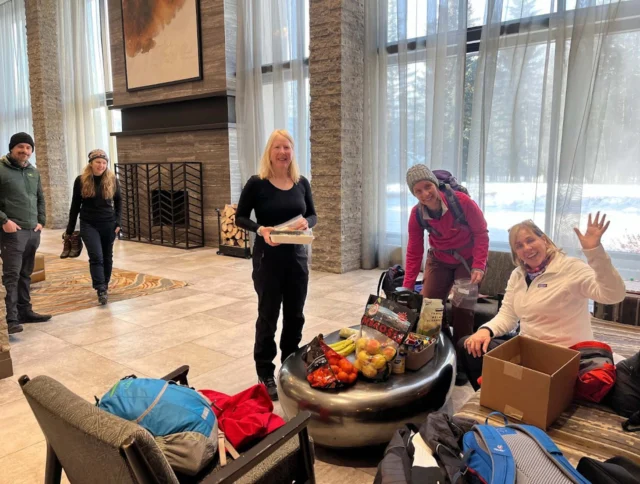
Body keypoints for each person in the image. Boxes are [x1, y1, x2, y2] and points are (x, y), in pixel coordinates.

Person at [460, 214, 626, 390]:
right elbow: (508, 315)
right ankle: (490, 394)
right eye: (519, 245)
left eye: (530, 240)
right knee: (469, 345)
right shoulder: (518, 274)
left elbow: (613, 295)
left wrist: (595, 253)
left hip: (566, 355)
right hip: (529, 351)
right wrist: (485, 330)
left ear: (544, 240)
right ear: (516, 252)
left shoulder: (571, 268)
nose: (527, 248)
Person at [236, 129, 317, 401]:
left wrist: (308, 222)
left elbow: (312, 215)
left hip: (297, 260)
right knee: (268, 316)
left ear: (292, 152)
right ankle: (265, 371)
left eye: (287, 147)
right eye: (277, 147)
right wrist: (260, 229)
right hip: (267, 260)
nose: (283, 152)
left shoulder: (301, 182)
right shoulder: (257, 184)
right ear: (269, 152)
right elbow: (240, 218)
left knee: (295, 316)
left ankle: (290, 363)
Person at [403, 164, 489, 385]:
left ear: (435, 184)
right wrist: (408, 284)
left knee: (463, 310)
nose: (425, 194)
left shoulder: (461, 202)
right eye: (418, 191)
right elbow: (414, 249)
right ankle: (440, 349)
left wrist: (479, 265)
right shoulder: (417, 214)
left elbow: (481, 233)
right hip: (438, 259)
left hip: (467, 261)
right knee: (429, 307)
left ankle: (462, 361)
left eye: (427, 186)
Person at [0, 132, 51, 336]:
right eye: (20, 147)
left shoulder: (33, 172)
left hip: (32, 231)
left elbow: (40, 197)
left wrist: (41, 221)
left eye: (28, 148)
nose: (25, 151)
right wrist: (4, 221)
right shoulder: (1, 170)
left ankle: (25, 312)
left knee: (25, 274)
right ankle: (12, 319)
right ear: (12, 148)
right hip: (12, 232)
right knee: (12, 276)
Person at [66, 149, 121, 305]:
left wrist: (118, 222)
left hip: (108, 223)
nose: (101, 165)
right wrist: (69, 229)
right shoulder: (81, 180)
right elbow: (75, 205)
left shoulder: (112, 179)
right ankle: (100, 288)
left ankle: (105, 283)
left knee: (107, 256)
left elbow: (119, 202)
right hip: (88, 223)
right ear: (91, 163)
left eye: (104, 163)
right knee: (96, 256)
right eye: (98, 162)